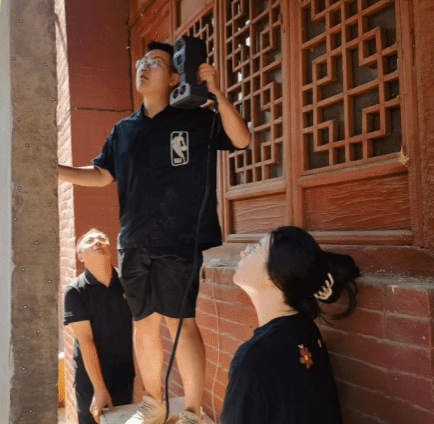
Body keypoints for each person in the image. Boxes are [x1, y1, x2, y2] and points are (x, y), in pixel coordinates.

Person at [59, 40, 251, 424]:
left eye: (156, 63)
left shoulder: (197, 119)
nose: (144, 67)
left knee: (181, 323)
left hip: (181, 241)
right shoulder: (124, 130)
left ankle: (193, 411)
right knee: (144, 322)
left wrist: (216, 93)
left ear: (176, 78)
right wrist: (53, 170)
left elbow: (241, 139)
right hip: (134, 242)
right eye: (142, 62)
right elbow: (101, 175)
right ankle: (155, 403)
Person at [220, 226, 360, 424]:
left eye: (254, 249)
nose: (243, 253)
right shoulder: (306, 329)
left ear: (273, 276)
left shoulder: (253, 359)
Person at [64, 229, 135, 424]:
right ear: (80, 256)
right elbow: (85, 341)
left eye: (102, 238)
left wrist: (142, 380)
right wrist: (99, 388)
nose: (97, 242)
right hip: (91, 378)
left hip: (125, 373)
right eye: (90, 241)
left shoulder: (128, 282)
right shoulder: (75, 291)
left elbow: (142, 330)